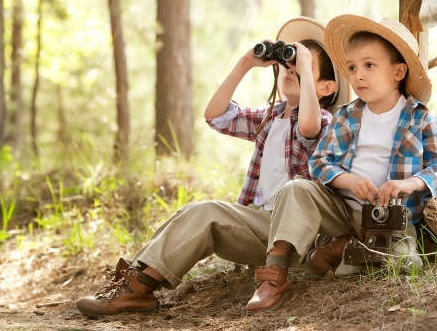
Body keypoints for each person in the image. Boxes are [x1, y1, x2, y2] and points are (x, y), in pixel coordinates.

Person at [75, 16, 351, 317]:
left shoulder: (324, 121)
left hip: (298, 232)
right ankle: (136, 286)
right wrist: (246, 62)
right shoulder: (268, 118)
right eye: (288, 63)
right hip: (262, 225)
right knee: (200, 210)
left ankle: (270, 276)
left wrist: (305, 66)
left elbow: (309, 126)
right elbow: (216, 115)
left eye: (303, 67)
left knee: (274, 193)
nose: (291, 69)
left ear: (326, 87)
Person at [278, 15, 437, 277]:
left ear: (398, 72)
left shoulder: (419, 118)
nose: (358, 76)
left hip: (393, 218)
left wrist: (409, 183)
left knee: (403, 264)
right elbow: (319, 162)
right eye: (352, 68)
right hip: (344, 210)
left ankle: (344, 248)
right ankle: (284, 261)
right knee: (298, 187)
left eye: (369, 65)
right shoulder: (346, 115)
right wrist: (349, 181)